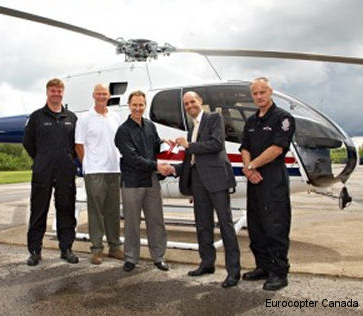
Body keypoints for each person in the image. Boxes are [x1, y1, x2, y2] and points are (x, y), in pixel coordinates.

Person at [174, 91, 240, 288]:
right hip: (198, 183)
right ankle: (207, 263)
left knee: (226, 226)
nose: (190, 106)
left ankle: (233, 272)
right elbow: (192, 160)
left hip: (217, 180)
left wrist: (189, 145)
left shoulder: (214, 118)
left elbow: (216, 144)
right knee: (203, 225)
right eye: (186, 104)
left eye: (192, 102)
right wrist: (186, 180)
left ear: (200, 102)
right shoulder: (191, 128)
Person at [240, 77, 295, 291]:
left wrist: (251, 166)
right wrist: (248, 168)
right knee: (256, 227)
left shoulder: (283, 118)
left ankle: (279, 272)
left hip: (272, 178)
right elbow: (244, 147)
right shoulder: (251, 121)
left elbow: (277, 148)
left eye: (262, 92)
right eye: (255, 93)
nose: (259, 96)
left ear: (270, 92)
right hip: (254, 180)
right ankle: (263, 266)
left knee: (275, 226)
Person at [114, 90, 174, 272]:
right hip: (132, 182)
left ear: (144, 105)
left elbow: (155, 145)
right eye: (135, 105)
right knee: (132, 223)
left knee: (156, 221)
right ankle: (131, 258)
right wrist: (157, 166)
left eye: (141, 105)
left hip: (151, 181)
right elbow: (133, 158)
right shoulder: (123, 131)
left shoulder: (150, 126)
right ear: (129, 106)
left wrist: (165, 142)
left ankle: (159, 257)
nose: (138, 108)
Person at [23, 78, 79, 266]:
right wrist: (42, 159)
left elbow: (76, 144)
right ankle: (35, 251)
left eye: (59, 91)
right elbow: (28, 143)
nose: (56, 94)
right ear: (47, 92)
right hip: (43, 171)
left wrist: (68, 160)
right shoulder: (37, 117)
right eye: (53, 91)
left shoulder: (71, 118)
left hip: (65, 171)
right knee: (39, 210)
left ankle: (66, 248)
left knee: (66, 209)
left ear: (63, 93)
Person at [75, 84, 124, 265]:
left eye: (104, 94)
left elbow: (119, 141)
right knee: (96, 211)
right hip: (94, 170)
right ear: (93, 95)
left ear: (109, 95)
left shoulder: (115, 117)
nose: (102, 96)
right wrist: (87, 165)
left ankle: (115, 247)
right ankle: (96, 249)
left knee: (112, 211)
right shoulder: (85, 118)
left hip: (114, 169)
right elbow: (78, 145)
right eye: (99, 94)